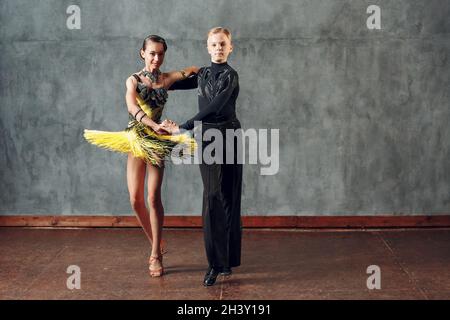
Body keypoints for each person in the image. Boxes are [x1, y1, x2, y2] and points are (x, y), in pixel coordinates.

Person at [84, 35, 198, 277]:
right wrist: (151, 124)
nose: (156, 58)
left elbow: (192, 71)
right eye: (152, 53)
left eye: (161, 54)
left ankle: (155, 253)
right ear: (142, 53)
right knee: (136, 200)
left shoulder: (167, 79)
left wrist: (213, 69)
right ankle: (158, 241)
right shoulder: (133, 80)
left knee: (153, 196)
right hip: (136, 139)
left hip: (157, 142)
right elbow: (131, 106)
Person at [163, 27, 243, 286]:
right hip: (209, 139)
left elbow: (215, 107)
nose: (219, 48)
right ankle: (214, 264)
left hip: (230, 135)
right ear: (207, 47)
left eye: (223, 44)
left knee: (230, 195)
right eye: (214, 44)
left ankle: (227, 260)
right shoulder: (203, 74)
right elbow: (173, 82)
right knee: (212, 197)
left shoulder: (231, 75)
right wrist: (155, 81)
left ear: (230, 47)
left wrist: (185, 125)